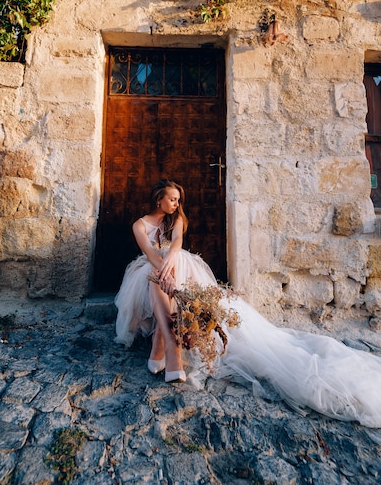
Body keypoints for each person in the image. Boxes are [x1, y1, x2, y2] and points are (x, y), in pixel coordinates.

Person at [115, 179, 381, 428]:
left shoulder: (177, 221)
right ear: (159, 199)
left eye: (178, 200)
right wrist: (166, 277)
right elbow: (150, 253)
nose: (176, 204)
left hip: (179, 266)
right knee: (153, 278)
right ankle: (168, 347)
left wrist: (171, 266)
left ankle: (163, 349)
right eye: (172, 200)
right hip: (152, 269)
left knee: (176, 263)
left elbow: (176, 245)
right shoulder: (140, 225)